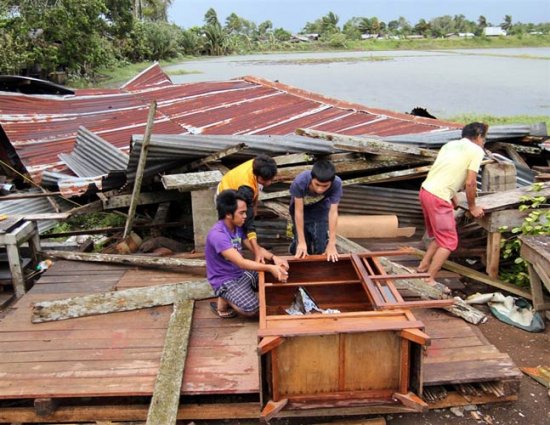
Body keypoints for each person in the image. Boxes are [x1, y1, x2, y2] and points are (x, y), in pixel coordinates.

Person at [417, 122, 487, 289]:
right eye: (484, 138)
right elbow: (470, 182)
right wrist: (472, 207)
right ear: (478, 137)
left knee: (438, 236)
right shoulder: (476, 151)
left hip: (426, 191)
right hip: (439, 197)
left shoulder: (450, 145)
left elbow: (445, 172)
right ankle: (429, 279)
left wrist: (454, 198)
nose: (484, 142)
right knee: (449, 241)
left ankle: (422, 268)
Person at [206, 190, 289, 318]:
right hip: (225, 280)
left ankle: (234, 295)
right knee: (252, 308)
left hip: (241, 274)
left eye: (245, 212)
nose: (245, 216)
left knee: (275, 271)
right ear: (228, 214)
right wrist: (270, 267)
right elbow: (242, 262)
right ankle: (225, 296)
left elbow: (255, 249)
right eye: (242, 213)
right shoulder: (218, 235)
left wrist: (274, 258)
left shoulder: (237, 227)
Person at [217, 154, 278, 263]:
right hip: (227, 194)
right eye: (265, 180)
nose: (269, 183)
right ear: (256, 175)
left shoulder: (259, 163)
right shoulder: (246, 188)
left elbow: (255, 192)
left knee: (243, 231)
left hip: (238, 190)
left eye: (271, 179)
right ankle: (234, 255)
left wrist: (254, 207)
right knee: (239, 230)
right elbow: (249, 224)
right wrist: (257, 251)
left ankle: (254, 250)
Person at [289, 159, 343, 262]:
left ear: (331, 182)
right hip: (300, 209)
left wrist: (332, 243)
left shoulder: (337, 184)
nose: (320, 189)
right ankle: (295, 245)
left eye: (325, 186)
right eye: (317, 184)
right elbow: (299, 212)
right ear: (311, 179)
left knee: (321, 243)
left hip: (320, 208)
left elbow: (333, 212)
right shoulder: (300, 182)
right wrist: (301, 242)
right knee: (303, 245)